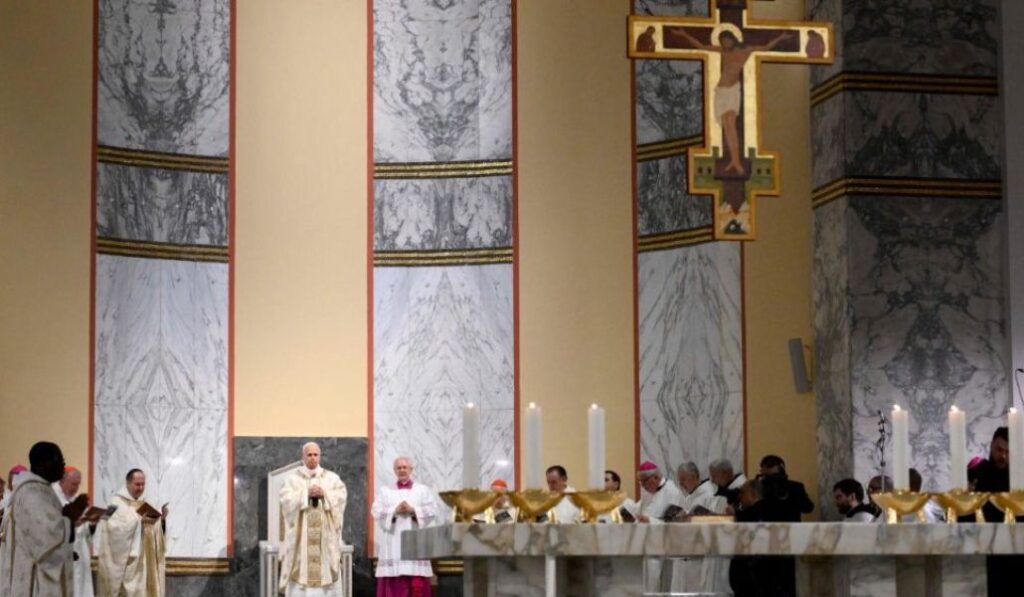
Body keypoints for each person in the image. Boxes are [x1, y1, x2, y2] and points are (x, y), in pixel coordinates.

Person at [667, 26, 793, 175]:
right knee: (727, 127)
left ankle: (736, 161)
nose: (725, 44)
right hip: (720, 92)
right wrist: (684, 34)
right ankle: (733, 160)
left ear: (733, 39)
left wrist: (781, 37)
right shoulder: (722, 51)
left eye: (727, 41)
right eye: (722, 42)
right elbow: (700, 46)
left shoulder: (745, 51)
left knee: (731, 126)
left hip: (732, 91)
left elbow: (765, 48)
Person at [0, 441, 89, 596]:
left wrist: (65, 551)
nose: (62, 465)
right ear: (43, 464)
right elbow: (46, 535)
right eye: (59, 461)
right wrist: (70, 515)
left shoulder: (42, 490)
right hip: (34, 583)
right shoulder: (31, 493)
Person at [279, 442, 348, 596]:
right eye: (309, 454)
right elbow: (285, 500)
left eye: (315, 454)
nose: (312, 458)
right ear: (303, 457)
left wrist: (325, 494)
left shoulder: (332, 478)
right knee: (301, 574)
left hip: (325, 538)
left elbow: (341, 497)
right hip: (301, 540)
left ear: (320, 456)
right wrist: (305, 494)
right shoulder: (292, 479)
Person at [94, 469, 168, 597]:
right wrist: (138, 521)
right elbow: (106, 527)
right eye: (137, 484)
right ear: (128, 483)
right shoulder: (114, 503)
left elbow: (154, 531)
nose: (141, 488)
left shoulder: (144, 503)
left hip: (144, 564)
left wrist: (161, 520)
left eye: (143, 484)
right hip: (126, 565)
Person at [371, 457, 437, 596]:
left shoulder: (422, 490)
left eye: (405, 467)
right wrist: (394, 511)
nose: (402, 470)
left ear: (411, 469)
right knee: (394, 585)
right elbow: (376, 511)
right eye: (399, 468)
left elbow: (432, 510)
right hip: (393, 543)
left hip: (415, 542)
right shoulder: (385, 491)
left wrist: (413, 510)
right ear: (394, 470)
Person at [972, 427, 1020, 597]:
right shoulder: (978, 473)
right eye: (999, 450)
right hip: (986, 551)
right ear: (991, 446)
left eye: (1008, 451)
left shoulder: (1019, 477)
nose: (1003, 456)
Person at [53, 466, 95, 597]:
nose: (76, 488)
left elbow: (85, 530)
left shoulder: (77, 500)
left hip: (80, 551)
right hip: (62, 552)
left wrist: (92, 525)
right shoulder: (53, 498)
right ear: (62, 481)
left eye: (78, 484)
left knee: (81, 588)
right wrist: (71, 524)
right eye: (73, 484)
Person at [757, 455, 814, 521]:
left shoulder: (795, 487)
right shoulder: (760, 487)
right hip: (770, 528)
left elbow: (808, 508)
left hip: (790, 529)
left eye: (771, 466)